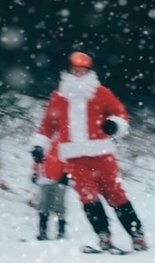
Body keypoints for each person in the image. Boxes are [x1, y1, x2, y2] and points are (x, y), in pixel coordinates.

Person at [31, 51, 147, 252]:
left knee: (115, 194)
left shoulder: (101, 93)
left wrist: (114, 125)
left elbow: (121, 114)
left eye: (82, 71)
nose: (78, 74)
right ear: (69, 71)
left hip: (102, 155)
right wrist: (39, 145)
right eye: (75, 70)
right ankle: (104, 236)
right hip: (75, 159)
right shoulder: (59, 97)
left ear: (89, 72)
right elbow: (47, 126)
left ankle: (137, 235)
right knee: (88, 198)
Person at [32, 140, 70, 240]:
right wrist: (35, 173)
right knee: (43, 205)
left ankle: (61, 232)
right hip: (44, 180)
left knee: (59, 206)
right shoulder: (42, 141)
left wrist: (66, 173)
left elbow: (67, 159)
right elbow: (37, 161)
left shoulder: (59, 143)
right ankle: (43, 232)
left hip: (59, 179)